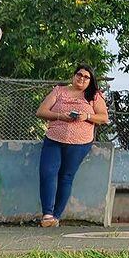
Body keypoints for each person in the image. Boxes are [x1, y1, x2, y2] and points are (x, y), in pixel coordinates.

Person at [35, 65, 110, 226]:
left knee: (66, 177)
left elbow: (103, 118)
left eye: (86, 77)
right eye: (79, 75)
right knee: (47, 173)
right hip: (53, 139)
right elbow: (41, 111)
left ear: (91, 80)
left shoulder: (94, 95)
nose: (82, 78)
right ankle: (47, 215)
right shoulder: (59, 91)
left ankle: (56, 216)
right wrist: (60, 116)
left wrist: (86, 116)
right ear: (74, 76)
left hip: (79, 143)